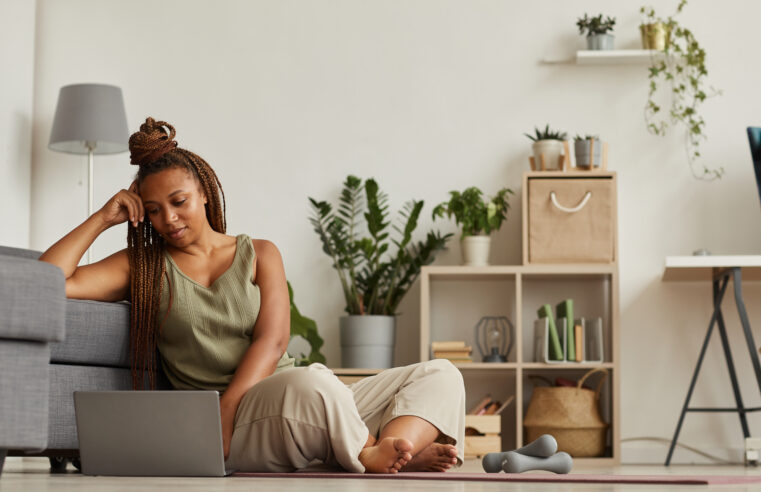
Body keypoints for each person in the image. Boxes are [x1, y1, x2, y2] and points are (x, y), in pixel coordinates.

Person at [39, 117, 466, 474]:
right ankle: (369, 452)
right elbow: (45, 282)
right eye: (153, 209)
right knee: (314, 384)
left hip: (285, 397)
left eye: (179, 201)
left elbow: (273, 341)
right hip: (250, 420)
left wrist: (225, 412)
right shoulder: (143, 266)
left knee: (440, 374)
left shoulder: (260, 252)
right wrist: (102, 217)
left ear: (204, 193)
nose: (167, 218)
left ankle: (386, 450)